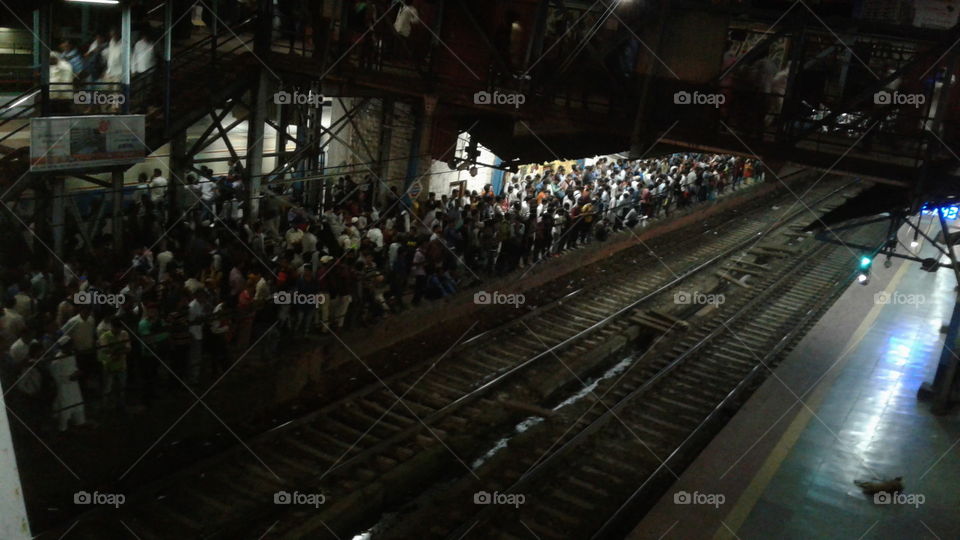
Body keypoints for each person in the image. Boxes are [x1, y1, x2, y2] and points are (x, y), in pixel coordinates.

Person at [49, 337, 88, 432]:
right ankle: (63, 430)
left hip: (75, 387)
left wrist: (77, 373)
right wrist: (70, 378)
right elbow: (56, 378)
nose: (72, 347)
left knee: (78, 407)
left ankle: (79, 424)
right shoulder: (57, 361)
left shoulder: (72, 355)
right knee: (65, 411)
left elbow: (74, 367)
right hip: (64, 389)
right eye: (70, 345)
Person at [97, 317, 130, 413]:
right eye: (116, 328)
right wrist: (119, 352)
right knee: (107, 388)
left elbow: (128, 348)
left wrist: (116, 352)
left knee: (122, 387)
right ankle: (105, 407)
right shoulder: (104, 336)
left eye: (119, 328)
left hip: (122, 365)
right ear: (112, 327)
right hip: (108, 366)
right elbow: (104, 352)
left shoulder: (124, 334)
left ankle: (120, 405)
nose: (118, 331)